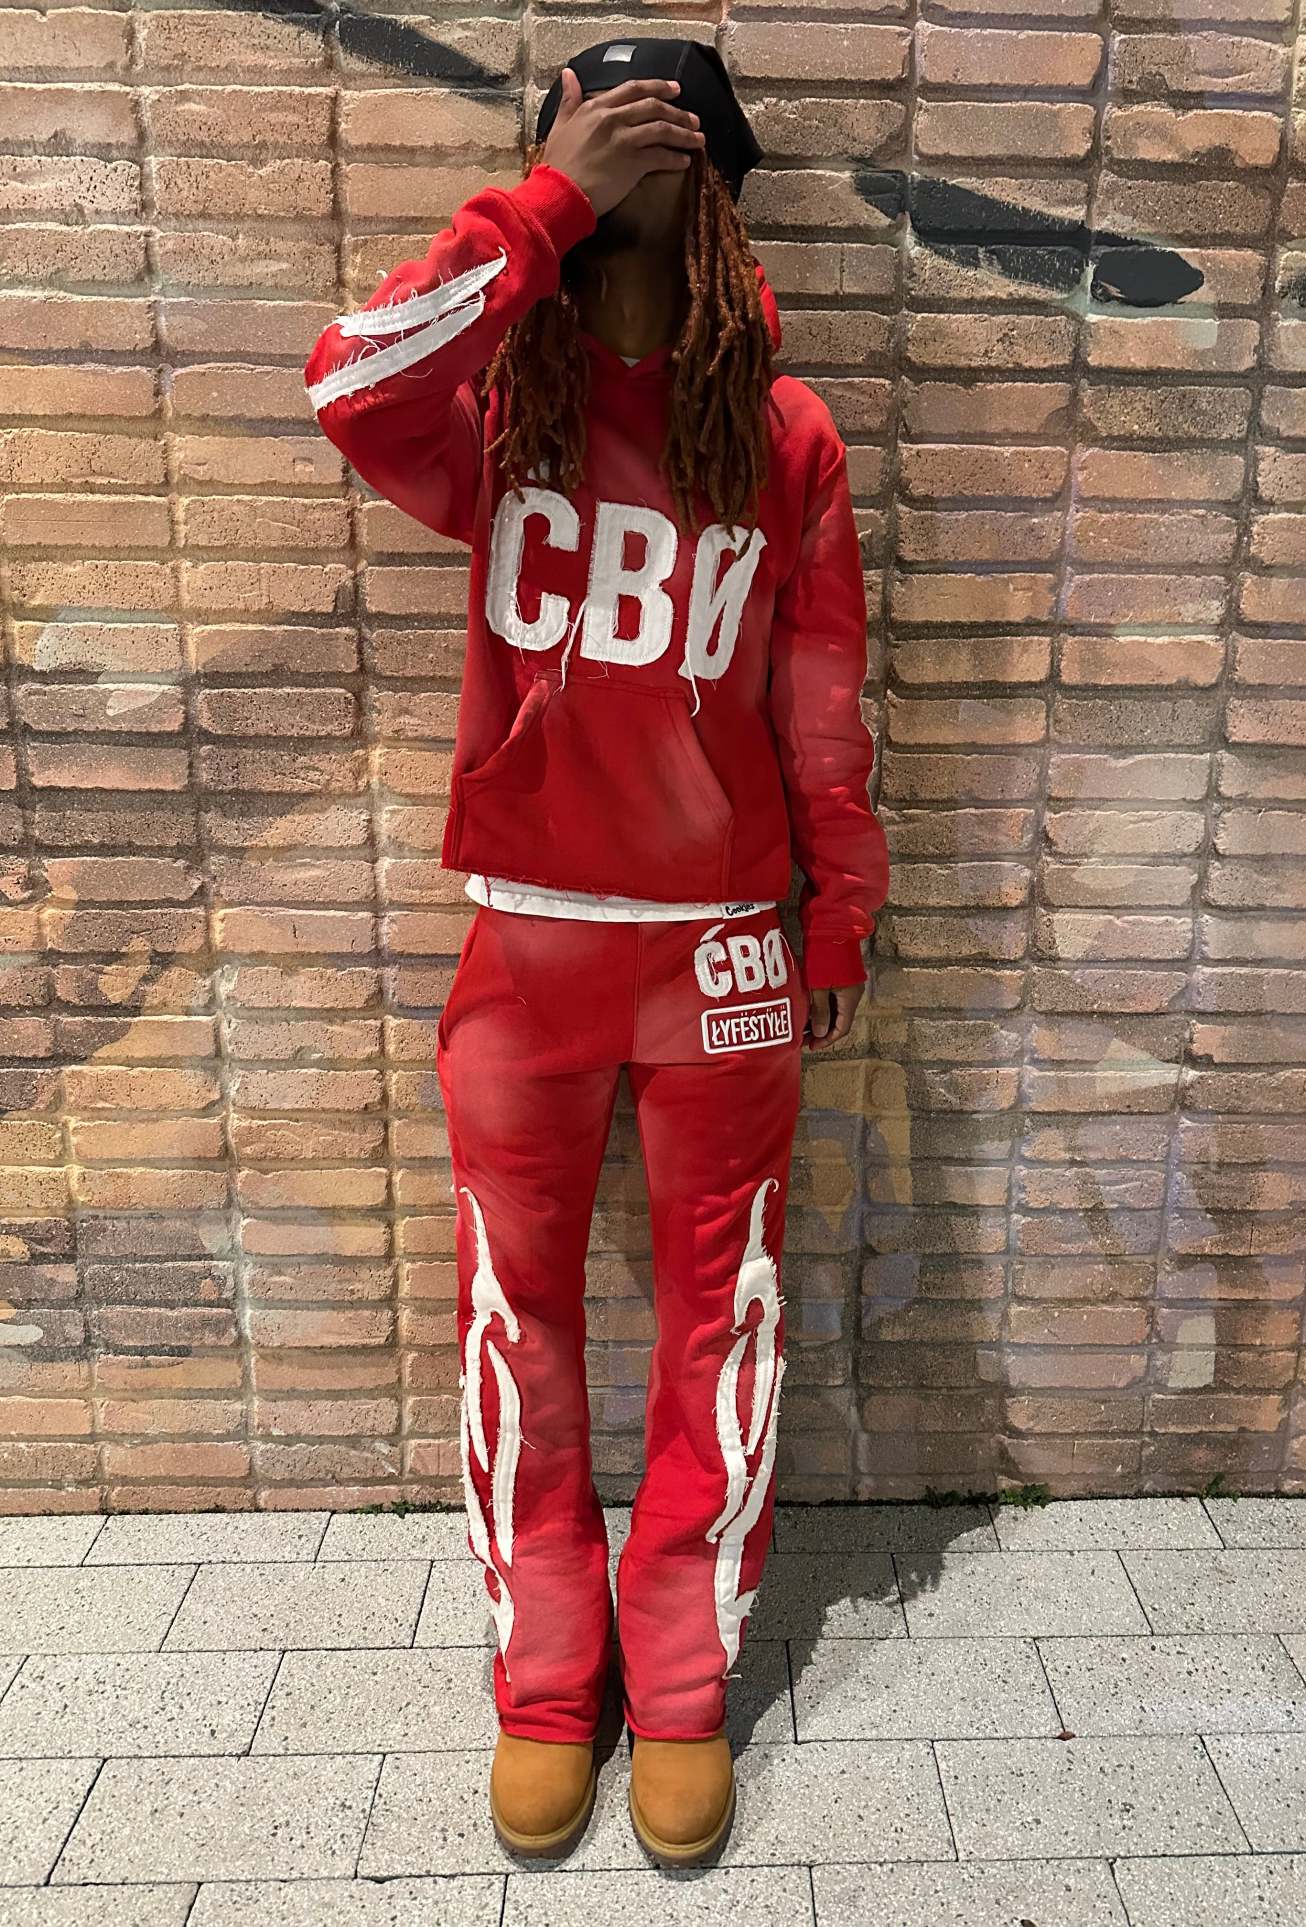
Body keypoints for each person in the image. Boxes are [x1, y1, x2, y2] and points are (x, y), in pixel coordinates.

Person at [304, 37, 888, 1867]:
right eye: (591, 141)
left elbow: (819, 693)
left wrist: (838, 903)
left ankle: (684, 1678)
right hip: (529, 950)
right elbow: (346, 378)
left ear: (714, 188)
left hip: (720, 956)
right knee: (518, 1320)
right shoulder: (497, 417)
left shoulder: (783, 436)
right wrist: (543, 205)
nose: (626, 177)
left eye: (656, 149)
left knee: (728, 1314)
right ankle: (548, 1679)